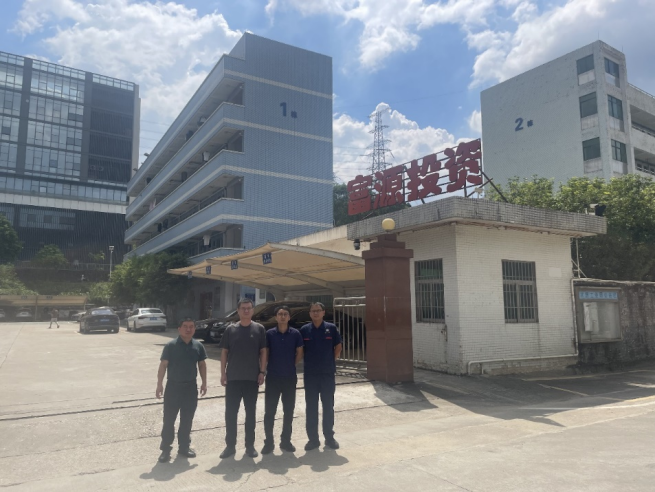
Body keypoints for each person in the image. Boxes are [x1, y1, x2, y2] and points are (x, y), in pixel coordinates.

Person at [219, 298, 267, 459]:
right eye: (243, 308)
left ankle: (250, 446)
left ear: (252, 310)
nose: (246, 311)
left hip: (252, 379)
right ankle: (230, 446)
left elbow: (263, 352)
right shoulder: (230, 329)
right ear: (238, 311)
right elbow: (224, 352)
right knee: (231, 414)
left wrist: (262, 372)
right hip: (233, 378)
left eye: (249, 308)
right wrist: (223, 373)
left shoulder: (259, 329)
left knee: (250, 413)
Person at [155, 318, 207, 463]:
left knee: (187, 420)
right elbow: (163, 365)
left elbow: (202, 365)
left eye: (191, 327)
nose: (188, 329)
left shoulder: (198, 346)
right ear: (179, 329)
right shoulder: (170, 346)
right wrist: (159, 384)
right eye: (185, 326)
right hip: (173, 387)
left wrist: (204, 383)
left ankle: (184, 447)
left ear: (194, 329)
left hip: (190, 388)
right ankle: (166, 449)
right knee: (169, 420)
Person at [299, 302, 342, 451]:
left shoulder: (331, 328)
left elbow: (338, 346)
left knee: (328, 406)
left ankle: (329, 438)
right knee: (311, 407)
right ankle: (313, 440)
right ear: (310, 313)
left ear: (323, 312)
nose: (316, 313)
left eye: (318, 310)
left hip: (327, 374)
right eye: (313, 311)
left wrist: (330, 360)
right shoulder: (305, 330)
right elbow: (300, 350)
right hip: (310, 375)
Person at [261, 306, 304, 455]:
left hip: (289, 378)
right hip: (273, 377)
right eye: (280, 314)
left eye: (285, 314)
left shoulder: (295, 334)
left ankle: (286, 441)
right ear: (276, 317)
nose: (283, 316)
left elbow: (299, 352)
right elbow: (266, 353)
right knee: (269, 412)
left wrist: (291, 364)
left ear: (289, 317)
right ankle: (269, 442)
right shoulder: (270, 334)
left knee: (289, 411)